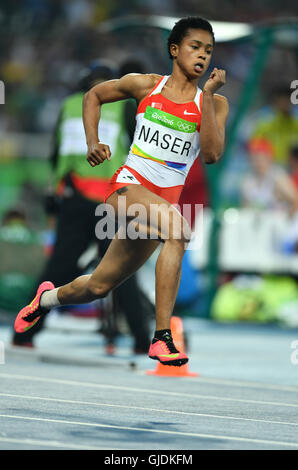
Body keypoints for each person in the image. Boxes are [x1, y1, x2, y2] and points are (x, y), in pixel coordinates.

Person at [14, 16, 229, 367]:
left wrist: (206, 96)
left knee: (99, 286)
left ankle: (45, 300)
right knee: (179, 232)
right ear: (174, 50)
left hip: (158, 207)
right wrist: (92, 141)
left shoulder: (215, 104)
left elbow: (211, 154)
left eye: (208, 50)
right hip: (127, 189)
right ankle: (162, 337)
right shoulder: (146, 86)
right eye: (195, 47)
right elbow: (93, 95)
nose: (203, 55)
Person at [12, 59, 153, 354]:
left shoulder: (69, 105)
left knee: (57, 271)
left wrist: (54, 199)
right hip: (112, 204)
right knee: (121, 272)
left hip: (75, 200)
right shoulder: (124, 105)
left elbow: (57, 155)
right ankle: (142, 340)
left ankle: (24, 332)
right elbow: (141, 149)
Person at [241, 137, 298, 213]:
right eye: (254, 156)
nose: (257, 160)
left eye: (259, 156)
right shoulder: (248, 180)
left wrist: (287, 220)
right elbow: (245, 207)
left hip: (278, 221)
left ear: (268, 157)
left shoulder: (278, 177)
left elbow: (295, 200)